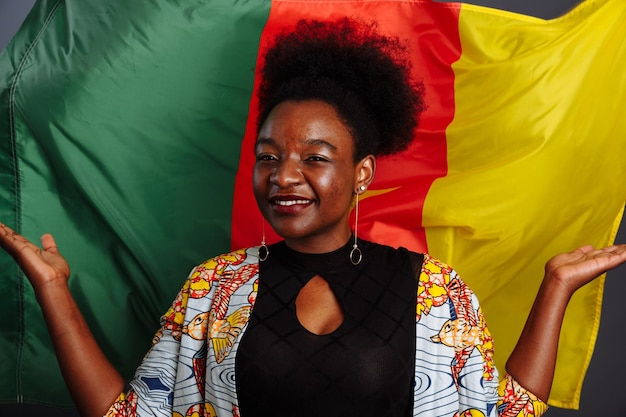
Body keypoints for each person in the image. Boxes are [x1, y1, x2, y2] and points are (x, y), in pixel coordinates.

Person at [1, 17, 625, 417]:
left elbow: (503, 415)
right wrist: (54, 290)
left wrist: (555, 288)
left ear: (362, 174)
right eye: (268, 156)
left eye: (314, 158)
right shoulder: (216, 289)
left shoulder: (430, 289)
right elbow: (127, 416)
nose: (285, 176)